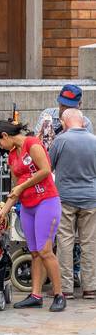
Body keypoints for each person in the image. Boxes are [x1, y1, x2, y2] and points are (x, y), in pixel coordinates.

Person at [0, 119, 65, 312]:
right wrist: (3, 211)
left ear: (5, 136)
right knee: (33, 252)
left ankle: (59, 295)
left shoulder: (32, 144)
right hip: (27, 206)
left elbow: (45, 170)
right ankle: (35, 295)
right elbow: (15, 188)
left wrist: (23, 186)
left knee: (45, 250)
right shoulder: (12, 155)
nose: (1, 146)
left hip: (46, 202)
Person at [49, 108, 96, 299]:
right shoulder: (94, 141)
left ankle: (65, 288)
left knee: (65, 242)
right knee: (89, 243)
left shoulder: (60, 141)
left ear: (64, 123)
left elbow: (48, 166)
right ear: (83, 122)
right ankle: (90, 288)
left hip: (65, 198)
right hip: (91, 199)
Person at [35, 83, 92, 149]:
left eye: (70, 107)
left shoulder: (85, 123)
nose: (65, 110)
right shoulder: (47, 114)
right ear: (59, 102)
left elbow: (86, 149)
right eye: (63, 105)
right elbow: (36, 142)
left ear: (79, 105)